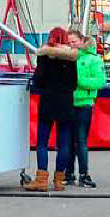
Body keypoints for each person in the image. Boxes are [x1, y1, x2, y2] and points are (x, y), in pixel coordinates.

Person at [25, 26, 78, 192]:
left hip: (48, 102)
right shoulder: (71, 58)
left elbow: (38, 81)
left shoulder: (44, 56)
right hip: (66, 104)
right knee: (63, 144)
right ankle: (59, 181)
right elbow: (74, 83)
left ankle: (41, 180)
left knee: (42, 143)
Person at [66, 31, 106, 188]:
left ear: (82, 41)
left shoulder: (94, 60)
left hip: (84, 104)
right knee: (68, 142)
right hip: (68, 104)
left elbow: (100, 81)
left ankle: (83, 174)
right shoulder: (69, 59)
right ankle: (68, 174)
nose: (71, 45)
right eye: (69, 42)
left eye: (74, 41)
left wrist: (78, 80)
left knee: (80, 141)